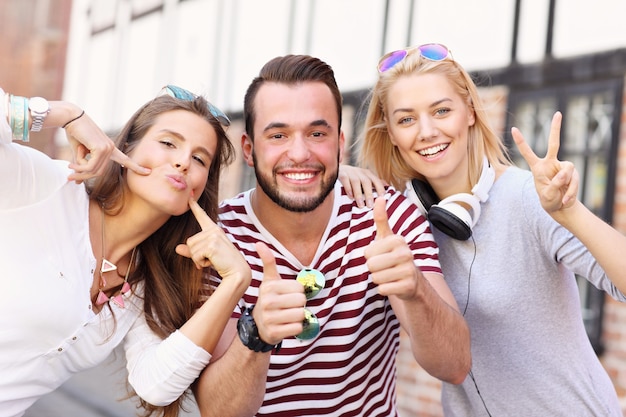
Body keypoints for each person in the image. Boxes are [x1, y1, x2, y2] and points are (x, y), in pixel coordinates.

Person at [351, 43, 626, 416]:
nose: (427, 132)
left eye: (441, 111)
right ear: (392, 135)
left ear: (468, 111)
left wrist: (570, 212)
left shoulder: (528, 197)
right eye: (406, 119)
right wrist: (343, 177)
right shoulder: (400, 225)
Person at [192, 54, 471, 417]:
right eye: (278, 135)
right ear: (249, 149)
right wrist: (256, 335)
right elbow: (217, 412)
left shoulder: (389, 218)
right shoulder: (216, 240)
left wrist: (415, 289)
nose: (299, 153)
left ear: (340, 143)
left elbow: (454, 366)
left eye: (317, 134)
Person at [0, 85, 252, 417]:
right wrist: (62, 113)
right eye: (168, 143)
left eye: (199, 158)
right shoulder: (52, 187)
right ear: (128, 147)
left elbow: (156, 385)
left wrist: (235, 281)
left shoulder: (145, 282)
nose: (181, 161)